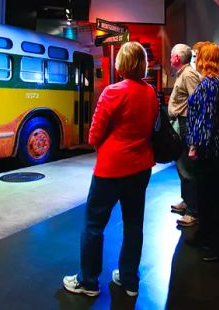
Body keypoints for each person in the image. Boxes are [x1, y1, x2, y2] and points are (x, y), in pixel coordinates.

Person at [63, 41, 158, 298]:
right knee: (133, 223)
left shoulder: (112, 92)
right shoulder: (150, 92)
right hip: (141, 168)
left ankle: (88, 282)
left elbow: (93, 135)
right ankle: (129, 280)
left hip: (111, 169)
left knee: (94, 225)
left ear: (121, 64)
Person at [185, 41, 219, 262]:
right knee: (209, 198)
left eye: (196, 56)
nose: (194, 60)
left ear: (205, 59)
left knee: (214, 200)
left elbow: (206, 120)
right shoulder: (216, 83)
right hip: (217, 148)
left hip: (211, 151)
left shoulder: (208, 85)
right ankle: (206, 236)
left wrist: (196, 146)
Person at [167, 43, 201, 227]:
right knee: (182, 168)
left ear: (177, 58)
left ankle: (193, 212)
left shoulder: (188, 75)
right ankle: (187, 201)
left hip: (186, 124)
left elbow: (196, 102)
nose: (170, 58)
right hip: (181, 124)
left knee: (187, 169)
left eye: (171, 55)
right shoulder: (184, 74)